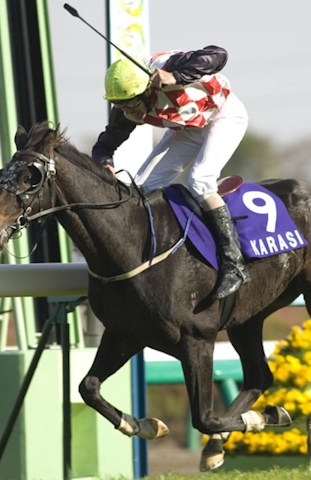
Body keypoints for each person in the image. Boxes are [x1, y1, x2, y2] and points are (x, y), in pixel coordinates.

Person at [92, 45, 250, 300]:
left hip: (224, 117)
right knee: (141, 190)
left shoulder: (168, 66)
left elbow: (219, 54)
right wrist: (103, 161)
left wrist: (175, 76)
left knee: (199, 181)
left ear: (146, 89)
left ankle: (235, 264)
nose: (128, 113)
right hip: (188, 130)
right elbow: (105, 144)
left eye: (131, 104)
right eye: (120, 105)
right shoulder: (126, 102)